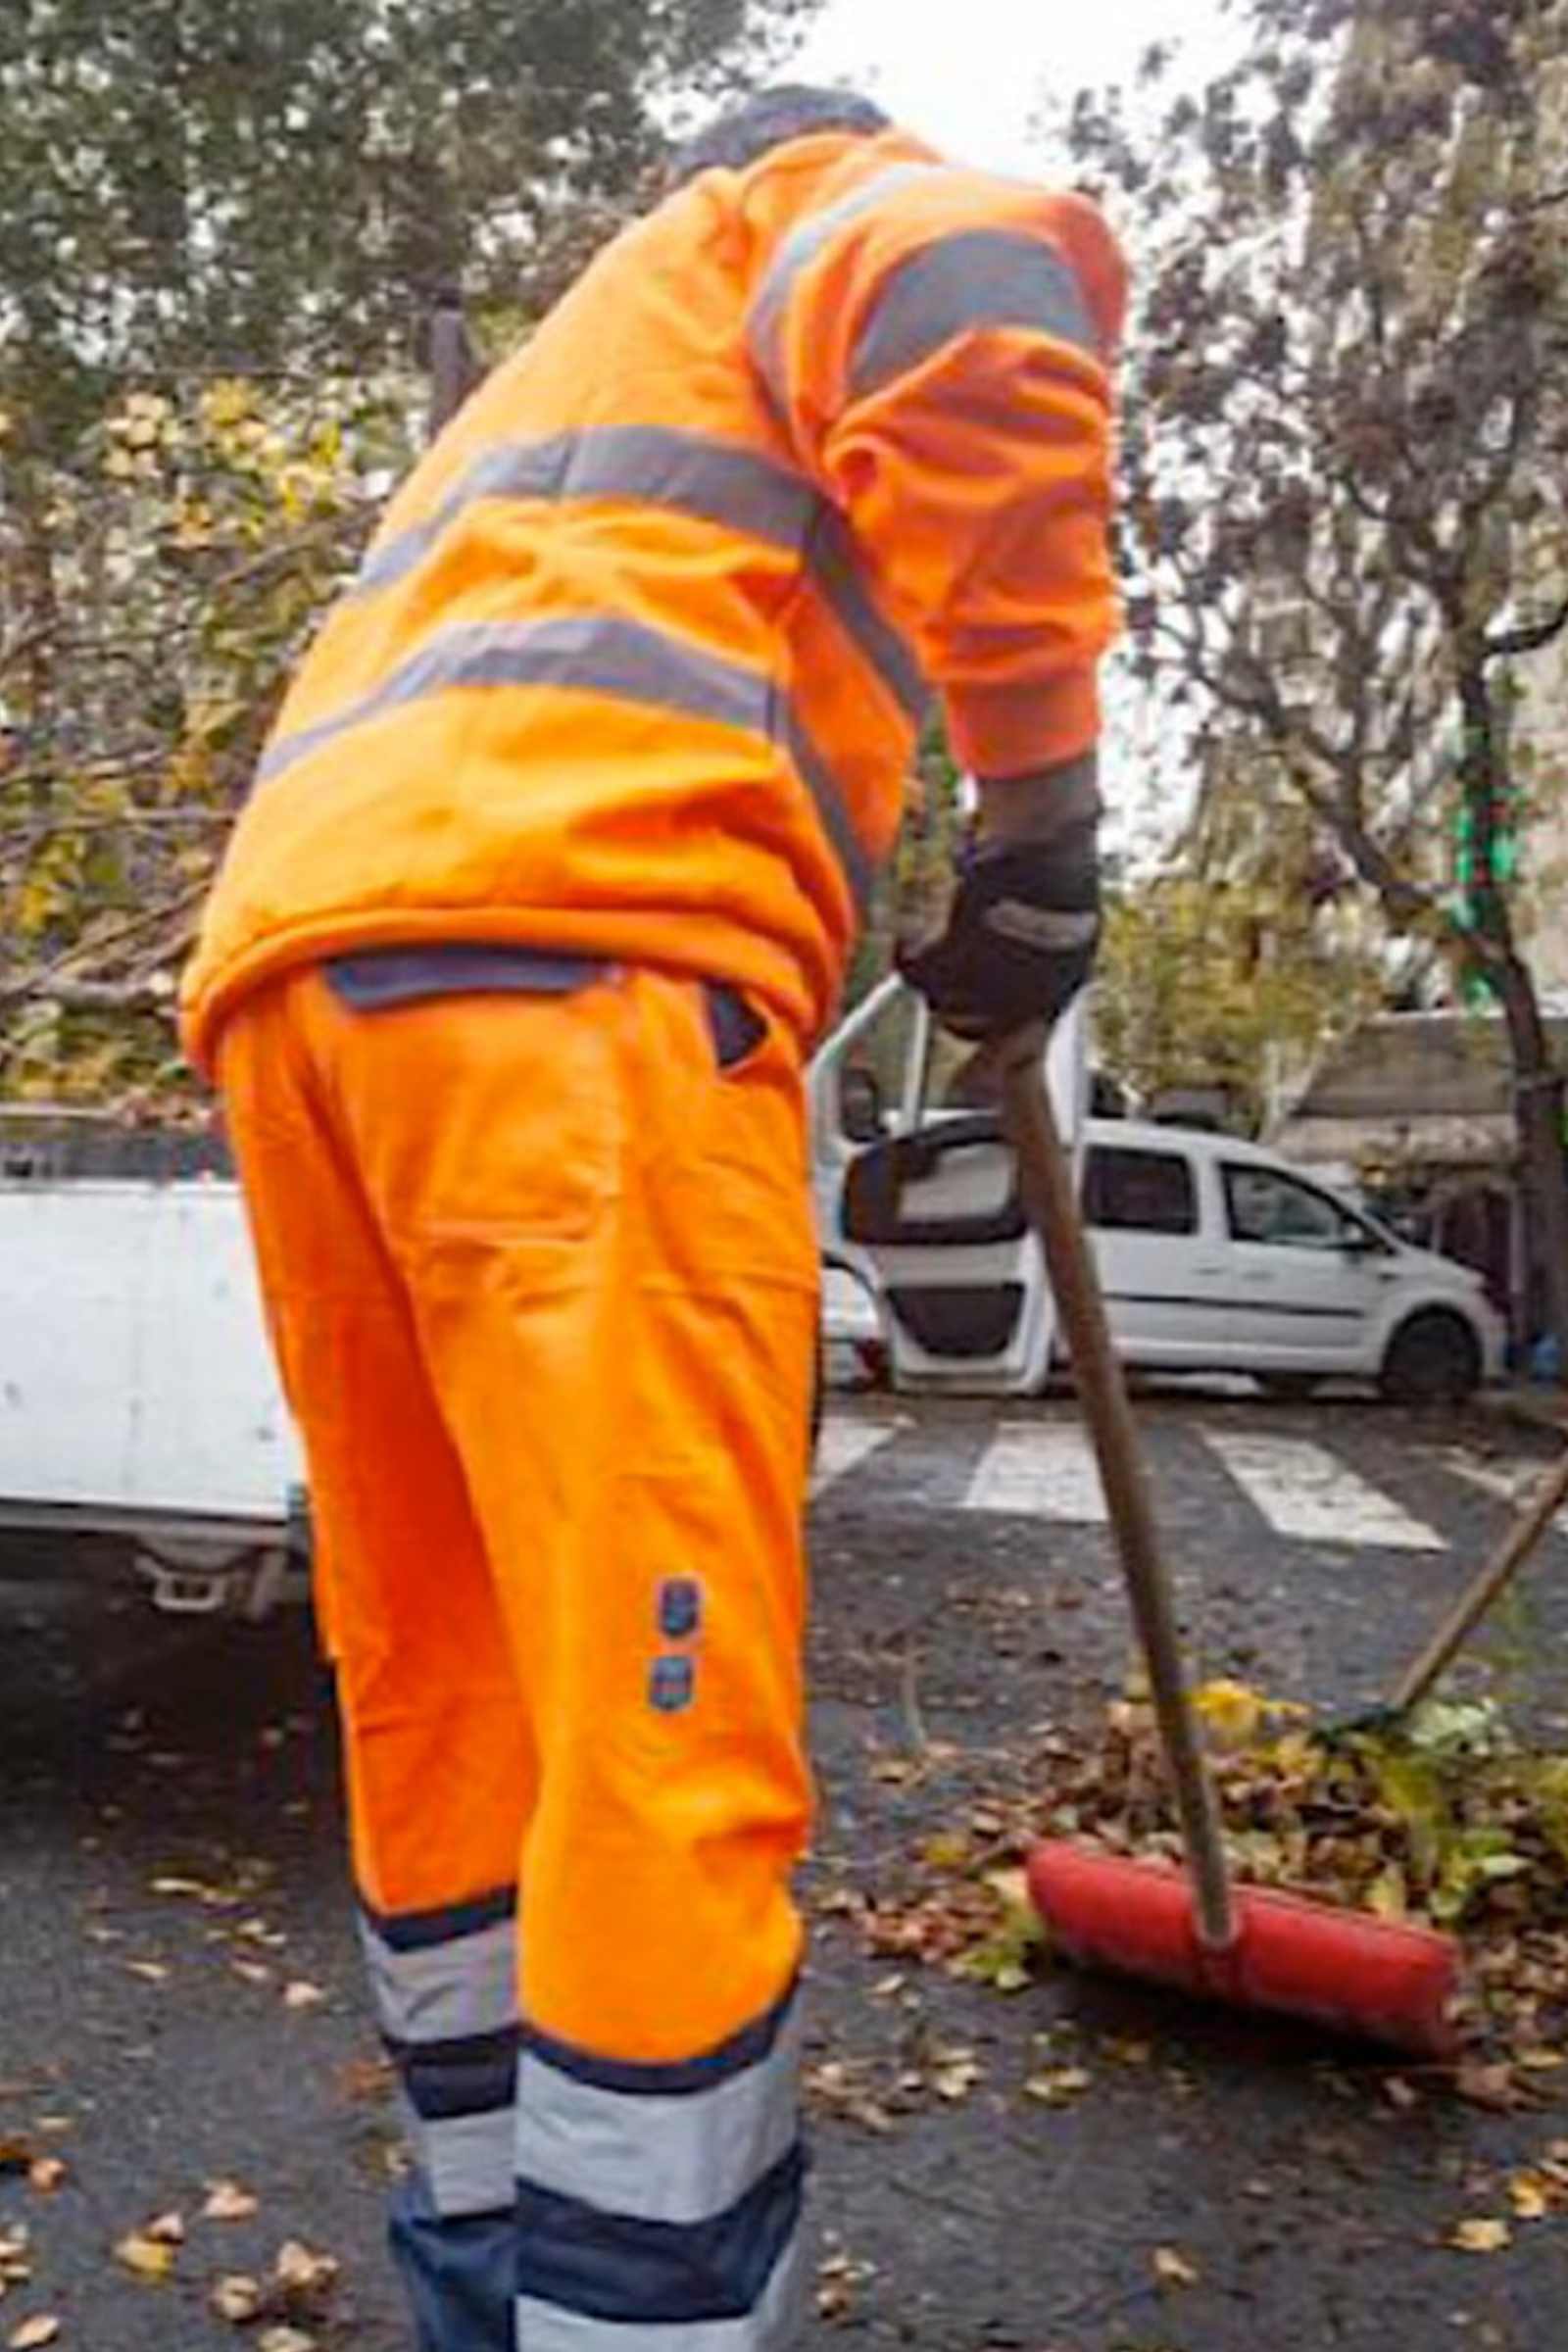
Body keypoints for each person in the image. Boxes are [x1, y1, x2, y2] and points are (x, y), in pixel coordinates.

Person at [180, 83, 1124, 2352]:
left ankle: (493, 2283)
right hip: (580, 977)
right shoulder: (806, 212)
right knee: (650, 1721)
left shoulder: (568, 374)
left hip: (307, 1002)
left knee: (451, 1691)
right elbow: (975, 295)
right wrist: (1040, 818)